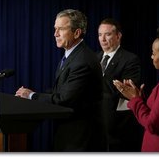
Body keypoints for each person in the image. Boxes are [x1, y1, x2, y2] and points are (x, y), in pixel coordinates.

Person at [15, 9, 103, 151]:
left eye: (61, 29)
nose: (55, 34)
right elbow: (61, 90)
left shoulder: (82, 60)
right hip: (69, 135)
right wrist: (32, 94)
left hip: (80, 139)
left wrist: (31, 96)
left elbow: (64, 99)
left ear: (77, 33)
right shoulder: (71, 55)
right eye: (55, 29)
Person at [113, 25, 159, 151]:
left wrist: (135, 100)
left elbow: (153, 125)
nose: (151, 57)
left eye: (153, 53)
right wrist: (141, 98)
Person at [97, 18, 143, 151]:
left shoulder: (130, 59)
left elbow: (124, 91)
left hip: (116, 130)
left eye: (108, 34)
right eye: (100, 35)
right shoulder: (94, 58)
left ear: (118, 36)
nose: (103, 39)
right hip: (94, 127)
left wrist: (95, 78)